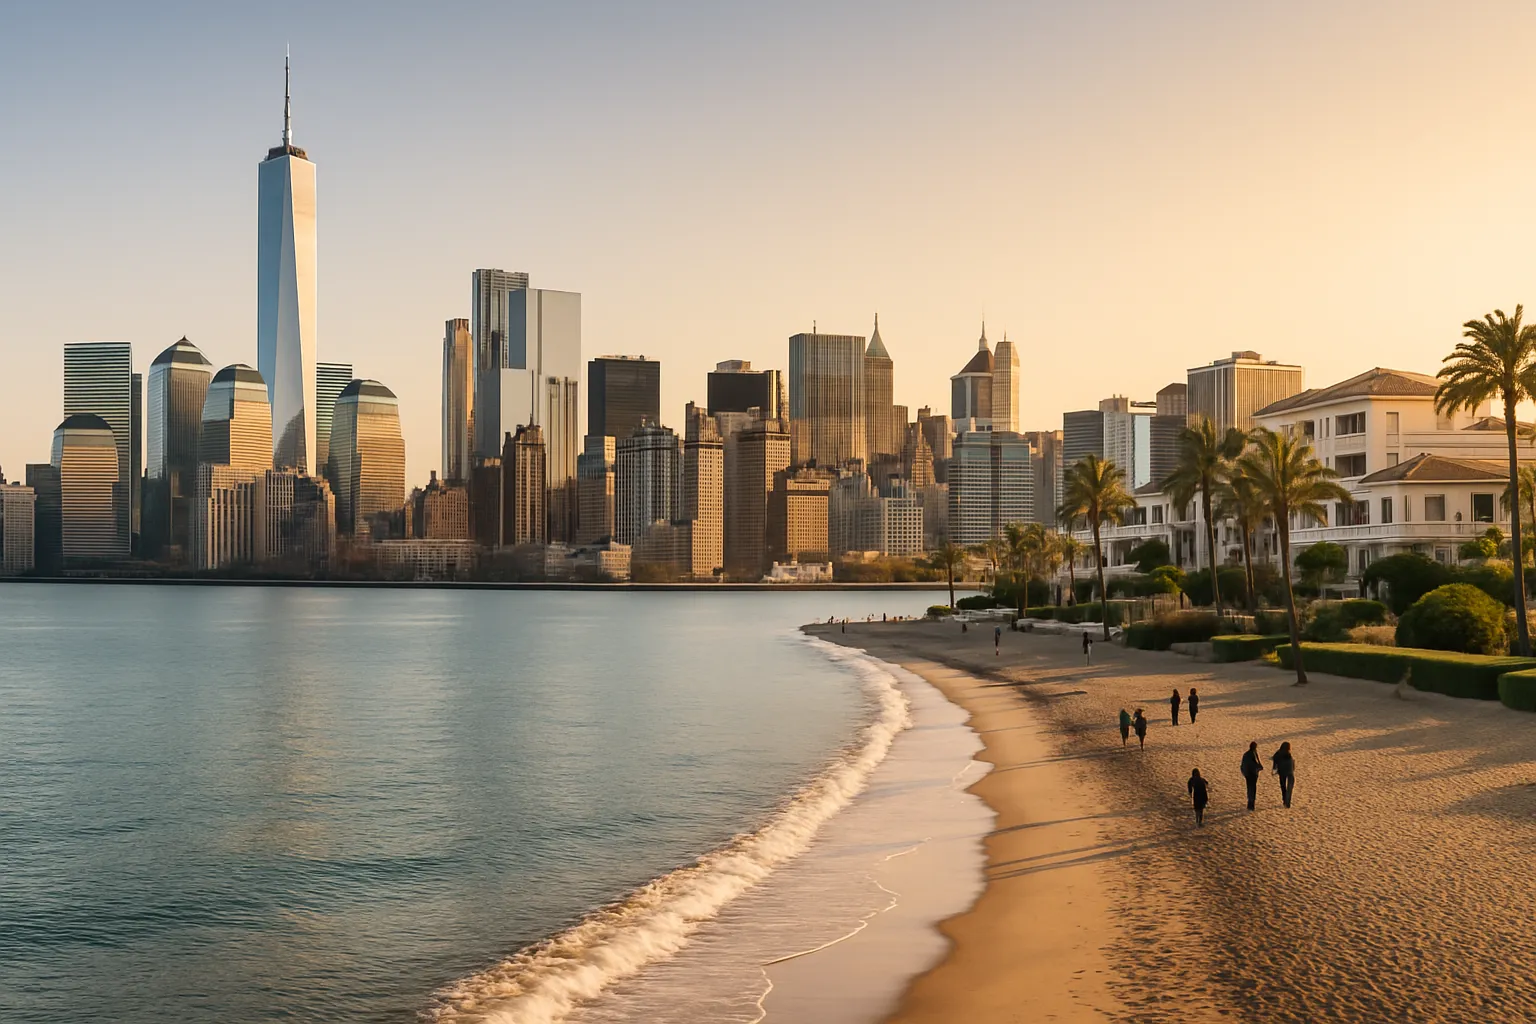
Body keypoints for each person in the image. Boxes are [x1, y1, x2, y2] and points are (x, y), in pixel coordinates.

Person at [1271, 741, 1296, 808]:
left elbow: (1274, 759)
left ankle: (1285, 800)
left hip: (1282, 772)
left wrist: (1274, 768)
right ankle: (1287, 802)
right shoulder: (1287, 753)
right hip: (1289, 772)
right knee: (1289, 787)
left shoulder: (1279, 753)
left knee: (1283, 786)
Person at [1240, 741, 1264, 810]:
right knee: (1252, 789)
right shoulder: (1253, 754)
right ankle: (1251, 804)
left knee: (1249, 788)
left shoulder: (1246, 754)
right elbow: (1255, 764)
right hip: (1252, 774)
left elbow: (1243, 765)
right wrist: (1259, 768)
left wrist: (1244, 772)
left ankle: (1250, 803)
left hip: (1247, 774)